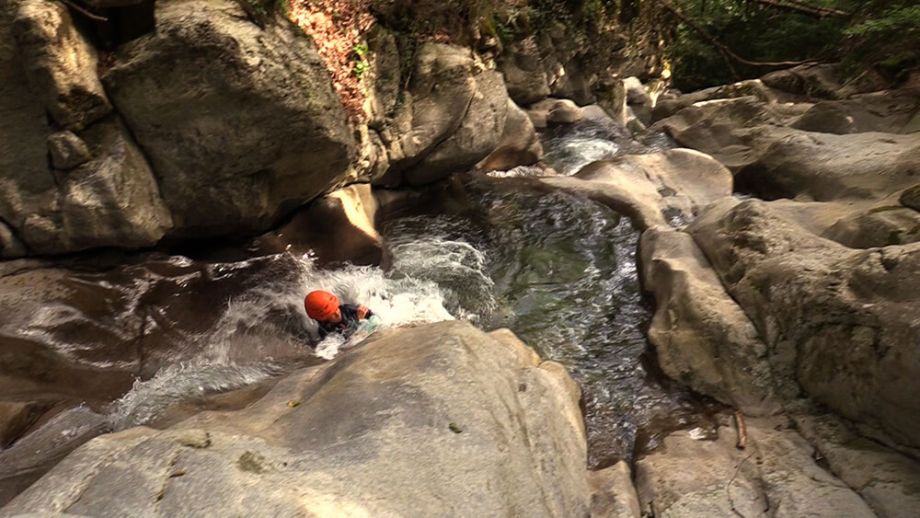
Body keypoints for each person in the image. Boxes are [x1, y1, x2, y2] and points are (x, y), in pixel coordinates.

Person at [304, 290, 375, 340]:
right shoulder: (325, 331)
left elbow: (372, 315)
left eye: (336, 309)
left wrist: (366, 315)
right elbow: (348, 342)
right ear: (322, 319)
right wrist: (359, 319)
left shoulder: (346, 309)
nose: (337, 313)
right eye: (332, 314)